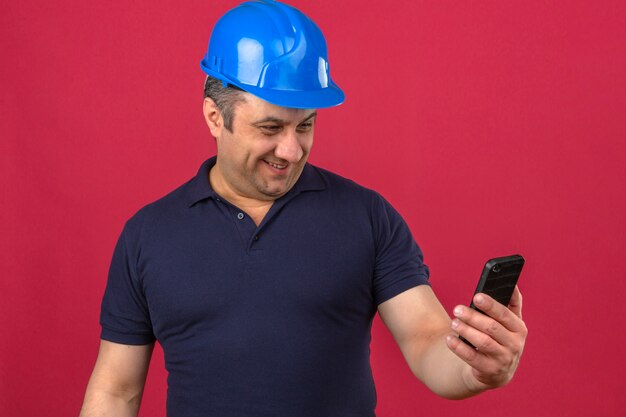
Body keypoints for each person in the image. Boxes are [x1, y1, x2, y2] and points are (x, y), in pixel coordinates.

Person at [79, 1, 527, 416]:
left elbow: (426, 339)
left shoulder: (367, 217)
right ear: (216, 117)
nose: (291, 150)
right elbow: (117, 388)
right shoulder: (149, 234)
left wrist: (475, 368)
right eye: (270, 127)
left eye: (305, 126)